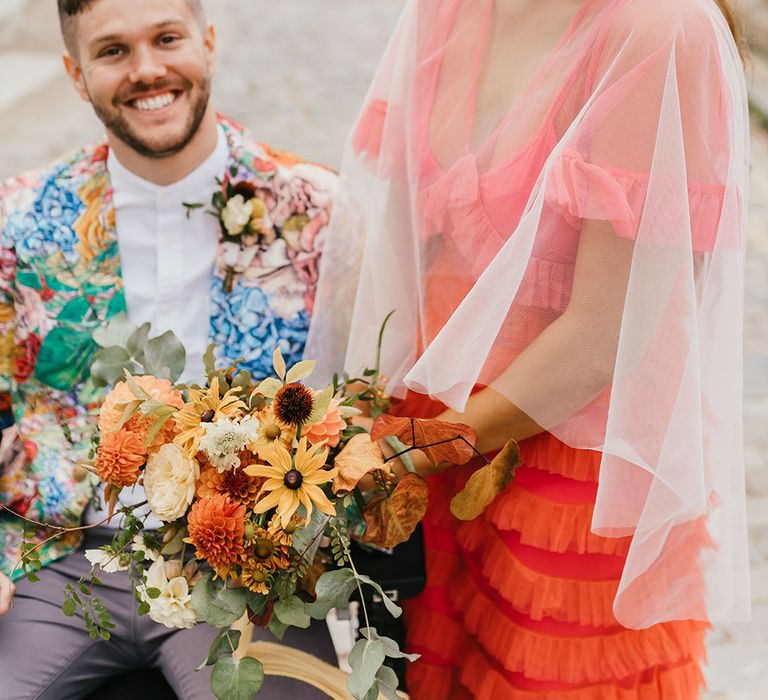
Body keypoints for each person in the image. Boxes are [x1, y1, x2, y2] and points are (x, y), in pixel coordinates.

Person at [307, 0, 750, 697]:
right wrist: (354, 418)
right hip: (432, 426)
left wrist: (408, 446)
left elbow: (602, 338)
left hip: (574, 460)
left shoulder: (658, 31)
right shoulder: (442, 10)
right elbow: (400, 252)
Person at [0, 0, 337, 697]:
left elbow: (358, 414)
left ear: (208, 44)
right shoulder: (19, 217)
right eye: (114, 50)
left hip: (240, 568)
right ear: (75, 72)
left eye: (167, 39)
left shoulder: (314, 210)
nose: (147, 69)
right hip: (57, 560)